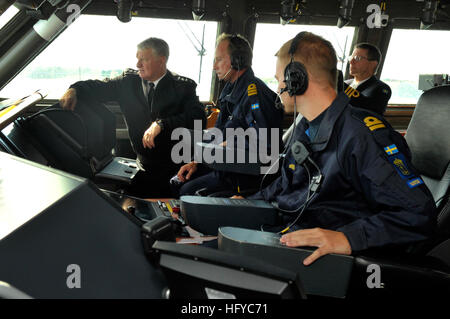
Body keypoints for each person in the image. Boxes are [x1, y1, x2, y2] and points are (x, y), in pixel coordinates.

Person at [239, 32, 436, 266]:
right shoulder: (305, 128)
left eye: (280, 78)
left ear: (296, 79)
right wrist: (243, 203)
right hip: (289, 234)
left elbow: (418, 214)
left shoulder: (361, 136)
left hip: (329, 261)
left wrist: (348, 238)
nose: (279, 86)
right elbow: (285, 187)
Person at [59, 37, 206, 198]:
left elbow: (198, 117)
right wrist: (75, 89)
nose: (138, 65)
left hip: (172, 169)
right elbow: (99, 87)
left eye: (143, 59)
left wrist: (162, 124)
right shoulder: (128, 83)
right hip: (142, 165)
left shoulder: (183, 87)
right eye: (137, 59)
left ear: (161, 60)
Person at [175, 33, 283, 196]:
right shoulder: (230, 92)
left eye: (218, 59)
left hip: (243, 178)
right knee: (176, 182)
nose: (214, 66)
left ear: (237, 60)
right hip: (225, 168)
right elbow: (219, 134)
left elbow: (267, 147)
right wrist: (197, 161)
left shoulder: (255, 95)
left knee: (186, 191)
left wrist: (231, 143)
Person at [344, 43, 392, 115]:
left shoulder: (381, 89)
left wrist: (341, 87)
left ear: (372, 64)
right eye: (351, 58)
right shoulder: (346, 83)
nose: (351, 62)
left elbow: (368, 107)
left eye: (357, 58)